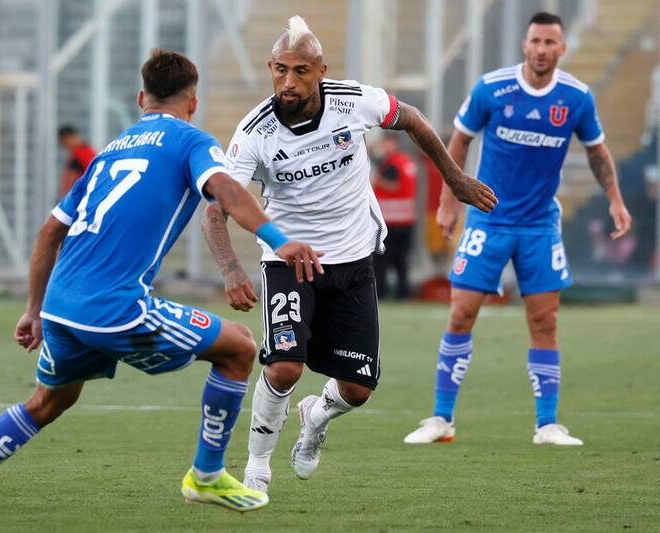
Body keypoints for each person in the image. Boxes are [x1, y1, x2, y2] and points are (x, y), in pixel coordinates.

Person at [0, 49, 324, 521]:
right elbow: (227, 191)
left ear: (140, 98)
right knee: (239, 348)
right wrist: (278, 238)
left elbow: (50, 231)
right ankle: (206, 476)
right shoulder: (191, 140)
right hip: (115, 306)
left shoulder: (110, 150)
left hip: (61, 307)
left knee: (48, 402)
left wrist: (33, 309)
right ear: (193, 101)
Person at [201, 16, 496, 494]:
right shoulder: (254, 132)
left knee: (357, 389)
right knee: (283, 366)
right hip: (288, 260)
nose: (288, 82)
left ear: (321, 70)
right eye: (279, 70)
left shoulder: (353, 100)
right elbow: (218, 209)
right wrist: (232, 268)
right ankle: (257, 466)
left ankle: (315, 416)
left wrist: (455, 178)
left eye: (299, 71)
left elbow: (414, 119)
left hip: (355, 258)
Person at [404, 12, 632, 446]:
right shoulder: (492, 88)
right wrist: (449, 201)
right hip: (488, 219)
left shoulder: (577, 98)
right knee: (460, 313)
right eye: (536, 41)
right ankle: (440, 419)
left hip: (540, 226)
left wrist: (617, 200)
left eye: (551, 42)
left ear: (562, 49)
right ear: (524, 46)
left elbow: (598, 152)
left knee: (544, 321)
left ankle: (547, 425)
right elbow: (460, 139)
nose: (542, 49)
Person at [371, 133, 419, 299]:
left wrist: (376, 180)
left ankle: (382, 291)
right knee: (401, 260)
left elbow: (394, 186)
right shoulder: (406, 161)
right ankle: (402, 292)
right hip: (406, 219)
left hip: (391, 220)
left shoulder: (392, 163)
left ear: (394, 143)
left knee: (382, 259)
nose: (383, 146)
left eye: (385, 142)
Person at [58, 125, 97, 197]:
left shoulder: (79, 155)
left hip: (81, 198)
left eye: (63, 141)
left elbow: (72, 179)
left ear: (68, 137)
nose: (63, 145)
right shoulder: (89, 151)